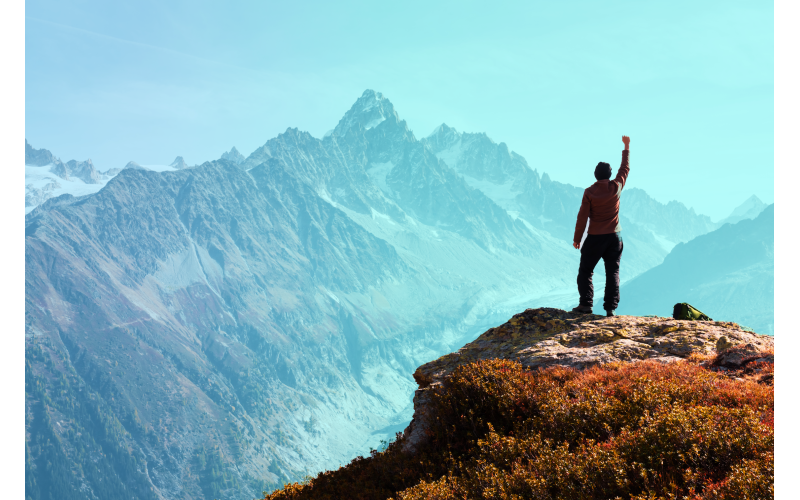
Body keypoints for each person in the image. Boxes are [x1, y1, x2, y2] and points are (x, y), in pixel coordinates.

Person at [571, 135, 630, 317]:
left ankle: (586, 305)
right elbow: (625, 168)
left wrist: (577, 239)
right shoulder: (616, 187)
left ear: (595, 175)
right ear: (610, 174)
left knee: (586, 271)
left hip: (596, 237)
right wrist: (626, 147)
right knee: (613, 271)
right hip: (615, 237)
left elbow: (582, 217)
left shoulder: (589, 192)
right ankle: (610, 309)